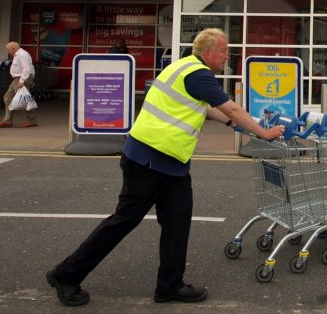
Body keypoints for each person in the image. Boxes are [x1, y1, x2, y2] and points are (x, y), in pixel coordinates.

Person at [46, 28, 285, 307]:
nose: (226, 55)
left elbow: (205, 108)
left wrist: (232, 124)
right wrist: (263, 133)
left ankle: (169, 285)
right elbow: (232, 108)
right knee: (123, 221)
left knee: (177, 221)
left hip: (171, 163)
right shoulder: (198, 73)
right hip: (148, 159)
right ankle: (66, 274)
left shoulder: (183, 68)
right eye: (223, 50)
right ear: (208, 52)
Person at [0, 41, 36, 128]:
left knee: (24, 99)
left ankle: (31, 120)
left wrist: (22, 81)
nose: (9, 53)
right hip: (17, 79)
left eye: (9, 51)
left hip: (21, 78)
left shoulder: (22, 55)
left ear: (13, 48)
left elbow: (26, 68)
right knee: (7, 98)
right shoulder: (18, 54)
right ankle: (7, 120)